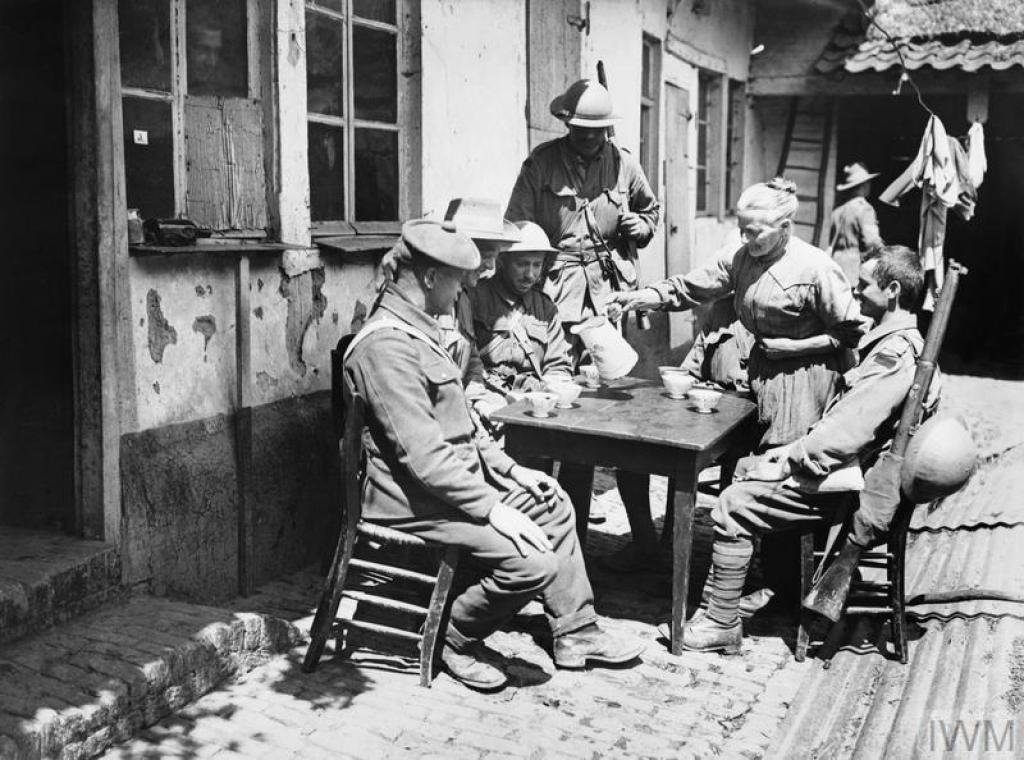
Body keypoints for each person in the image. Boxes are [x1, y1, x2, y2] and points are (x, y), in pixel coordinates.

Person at [343, 219, 642, 689]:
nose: (466, 285)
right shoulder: (385, 346)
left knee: (554, 503)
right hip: (411, 500)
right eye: (458, 276)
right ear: (427, 277)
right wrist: (494, 509)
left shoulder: (419, 329)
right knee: (533, 562)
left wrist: (512, 472)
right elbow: (422, 459)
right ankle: (451, 636)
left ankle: (576, 632)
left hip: (449, 485)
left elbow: (464, 425)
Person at [671, 245, 935, 653]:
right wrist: (793, 449)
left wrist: (792, 456)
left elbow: (846, 433)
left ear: (894, 290)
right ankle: (761, 593)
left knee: (732, 503)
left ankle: (720, 622)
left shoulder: (895, 354)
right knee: (748, 466)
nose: (856, 293)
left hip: (847, 489)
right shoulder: (893, 343)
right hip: (844, 472)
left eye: (864, 285)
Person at [608, 177, 864, 453]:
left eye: (754, 232)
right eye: (742, 230)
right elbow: (687, 289)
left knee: (784, 463)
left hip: (806, 380)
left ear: (785, 228)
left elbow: (851, 333)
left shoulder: (815, 268)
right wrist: (636, 298)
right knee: (740, 455)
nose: (745, 239)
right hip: (761, 373)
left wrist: (793, 347)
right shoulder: (740, 258)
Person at [506, 78, 661, 529]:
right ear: (566, 124)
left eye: (596, 131)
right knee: (562, 400)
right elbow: (516, 225)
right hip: (556, 296)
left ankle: (601, 513)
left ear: (606, 129)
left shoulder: (625, 165)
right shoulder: (541, 164)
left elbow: (651, 212)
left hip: (610, 298)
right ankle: (553, 512)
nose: (588, 138)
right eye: (579, 130)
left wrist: (640, 228)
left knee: (612, 402)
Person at [468, 221, 575, 395]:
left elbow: (557, 366)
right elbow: (465, 361)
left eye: (537, 265)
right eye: (522, 264)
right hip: (487, 394)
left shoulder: (546, 309)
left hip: (532, 397)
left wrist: (551, 392)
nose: (530, 275)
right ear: (502, 262)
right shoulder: (475, 297)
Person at [828, 162, 883, 284]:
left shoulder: (837, 210)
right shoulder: (864, 209)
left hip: (833, 266)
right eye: (868, 183)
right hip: (853, 271)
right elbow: (872, 242)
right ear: (862, 185)